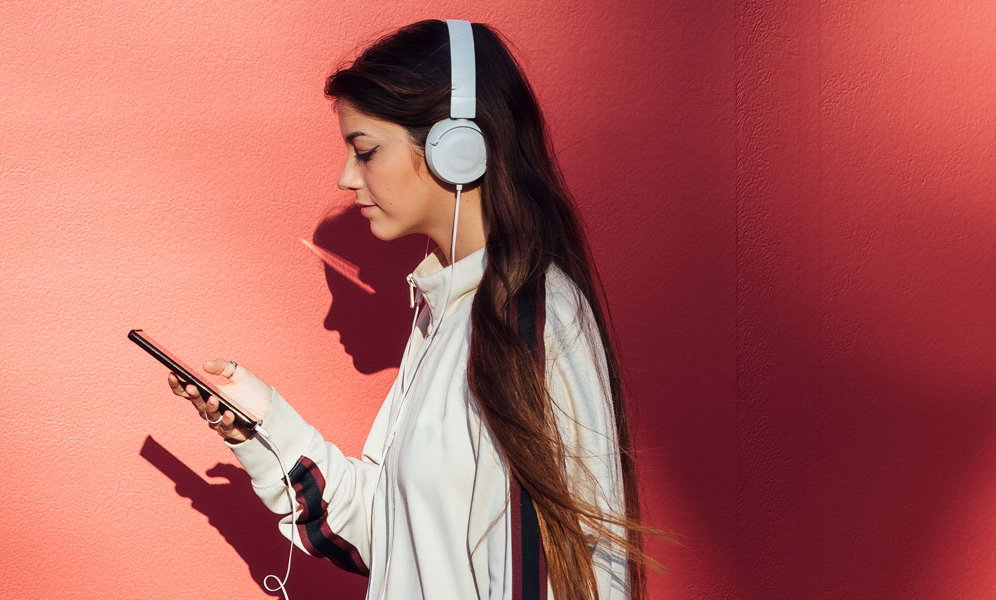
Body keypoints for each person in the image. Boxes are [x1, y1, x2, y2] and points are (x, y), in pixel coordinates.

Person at [166, 19, 662, 600]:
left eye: (365, 150)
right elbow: (385, 534)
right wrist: (261, 424)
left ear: (458, 148)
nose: (347, 178)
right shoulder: (447, 315)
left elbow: (570, 574)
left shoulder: (532, 319)